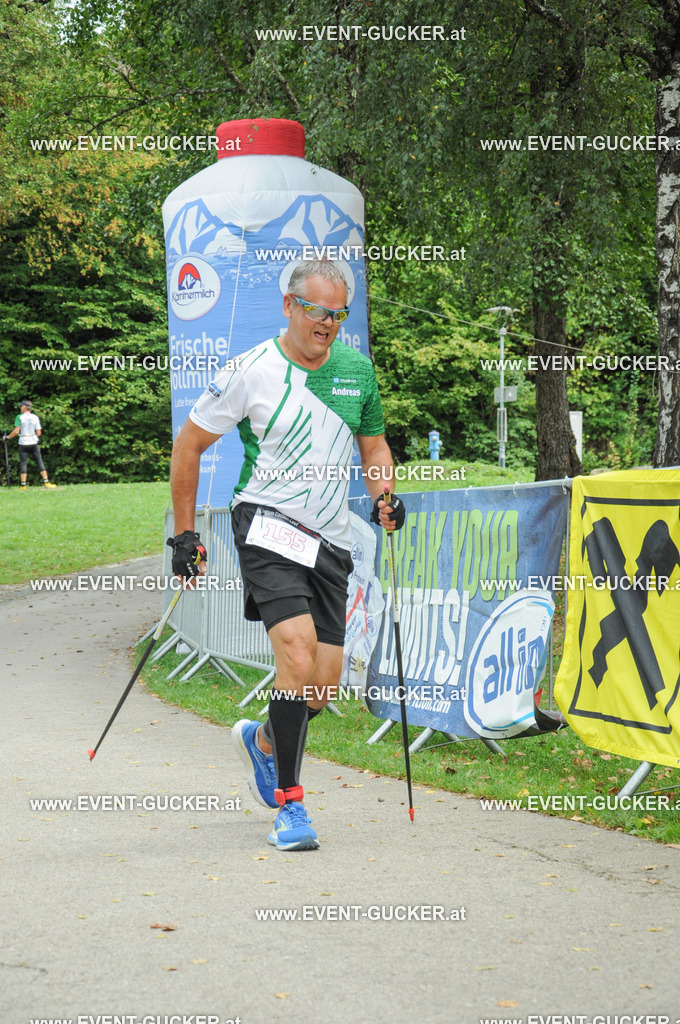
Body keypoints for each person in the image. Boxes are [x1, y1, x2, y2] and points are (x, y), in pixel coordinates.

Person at [168, 259, 405, 852]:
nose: (328, 324)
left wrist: (385, 496)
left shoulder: (356, 371)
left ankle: (265, 742)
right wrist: (185, 535)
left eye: (338, 314)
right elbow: (189, 445)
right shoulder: (251, 371)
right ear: (289, 306)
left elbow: (373, 447)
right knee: (296, 657)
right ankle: (291, 808)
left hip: (331, 539)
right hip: (267, 526)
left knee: (321, 686)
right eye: (318, 311)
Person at [4, 400, 57, 488]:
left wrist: (7, 437)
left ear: (24, 407)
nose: (20, 408)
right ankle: (46, 482)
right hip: (33, 442)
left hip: (23, 443)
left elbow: (16, 431)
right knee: (39, 462)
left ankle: (23, 485)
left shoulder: (19, 417)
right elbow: (39, 433)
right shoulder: (35, 417)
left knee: (23, 464)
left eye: (21, 406)